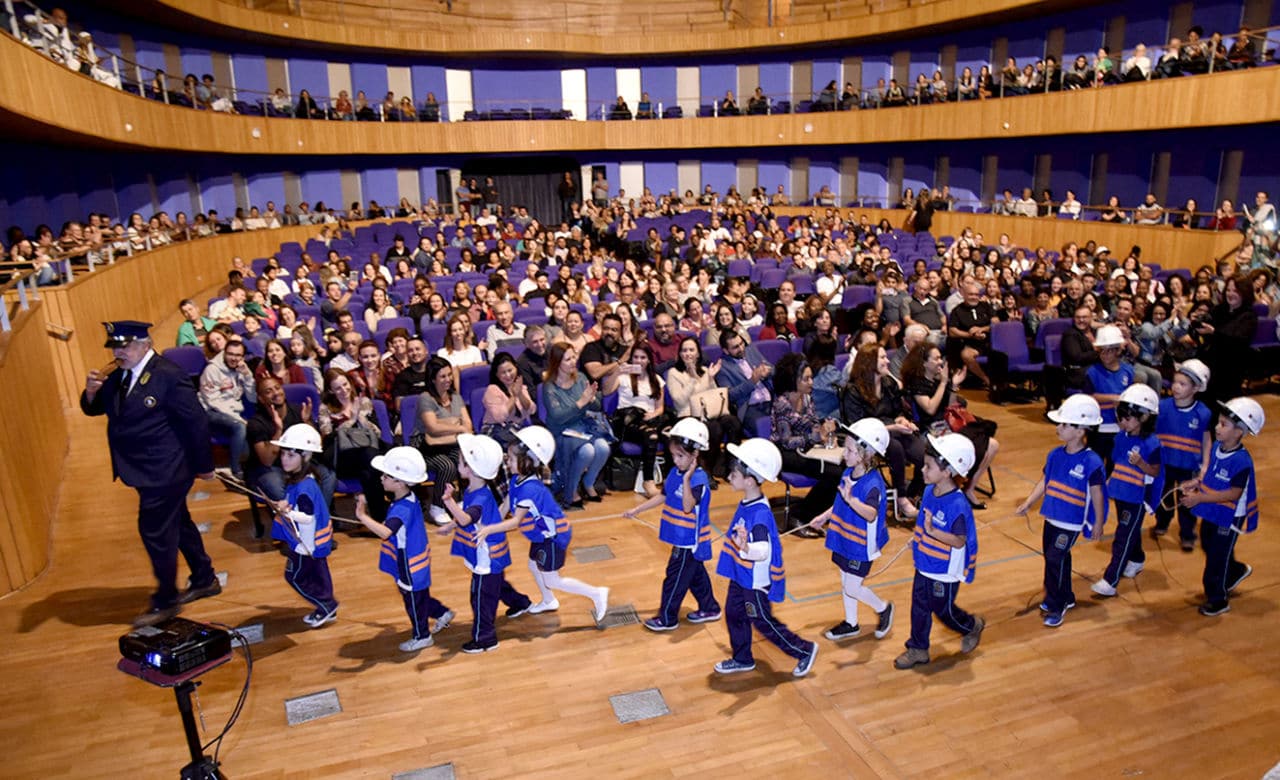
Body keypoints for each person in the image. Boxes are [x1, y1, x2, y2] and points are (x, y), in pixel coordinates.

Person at [80, 321, 219, 627]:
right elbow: (96, 409)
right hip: (142, 470)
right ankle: (205, 578)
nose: (118, 352)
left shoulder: (169, 376)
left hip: (166, 470)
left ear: (145, 343)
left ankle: (166, 600)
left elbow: (195, 423)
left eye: (125, 346)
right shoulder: (117, 376)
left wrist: (204, 465)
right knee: (178, 522)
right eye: (114, 347)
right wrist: (90, 394)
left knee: (155, 532)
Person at [712, 437, 819, 678]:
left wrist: (744, 547)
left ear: (749, 480)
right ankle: (742, 658)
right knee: (734, 613)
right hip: (742, 575)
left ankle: (803, 650)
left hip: (755, 581)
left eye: (733, 474)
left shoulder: (759, 515)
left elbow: (762, 551)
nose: (729, 477)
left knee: (763, 621)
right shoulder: (749, 502)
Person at [1014, 395, 1107, 629]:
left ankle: (1057, 605)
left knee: (1056, 558)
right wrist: (1029, 502)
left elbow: (1097, 494)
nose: (1059, 428)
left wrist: (1097, 523)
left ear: (1080, 431)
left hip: (1072, 523)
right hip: (1052, 517)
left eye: (1065, 424)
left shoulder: (1092, 461)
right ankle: (1064, 595)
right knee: (1054, 558)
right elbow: (1045, 480)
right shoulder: (1055, 454)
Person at [894, 434, 984, 669]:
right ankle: (918, 648)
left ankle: (971, 625)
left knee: (943, 611)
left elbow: (958, 541)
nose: (922, 469)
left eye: (928, 466)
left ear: (947, 472)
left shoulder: (957, 505)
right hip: (925, 563)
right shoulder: (929, 491)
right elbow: (925, 522)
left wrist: (933, 532)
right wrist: (919, 533)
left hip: (943, 571)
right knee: (919, 607)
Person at [623, 418, 721, 632]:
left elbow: (688, 506)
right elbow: (663, 496)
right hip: (679, 536)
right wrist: (636, 510)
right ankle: (710, 607)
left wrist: (686, 480)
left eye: (680, 456)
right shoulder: (675, 473)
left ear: (695, 455)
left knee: (674, 578)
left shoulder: (697, 481)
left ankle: (668, 618)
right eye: (673, 455)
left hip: (689, 541)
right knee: (695, 575)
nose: (676, 461)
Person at [354, 447, 455, 652]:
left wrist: (362, 516)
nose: (381, 478)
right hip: (416, 559)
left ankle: (422, 636)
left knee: (412, 602)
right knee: (417, 596)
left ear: (399, 482)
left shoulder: (402, 508)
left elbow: (385, 533)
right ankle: (441, 612)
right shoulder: (406, 499)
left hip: (409, 563)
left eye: (386, 475)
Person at [439, 434, 533, 653]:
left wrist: (448, 502)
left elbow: (466, 518)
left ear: (470, 469)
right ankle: (521, 603)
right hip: (489, 554)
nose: (458, 463)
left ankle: (485, 638)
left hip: (486, 557)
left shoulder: (479, 496)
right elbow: (466, 517)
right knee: (496, 585)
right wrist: (450, 526)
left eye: (461, 461)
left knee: (481, 598)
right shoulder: (475, 490)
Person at [507, 427, 610, 622]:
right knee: (533, 565)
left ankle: (596, 593)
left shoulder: (531, 489)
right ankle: (548, 600)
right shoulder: (517, 480)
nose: (507, 462)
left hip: (553, 537)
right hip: (540, 535)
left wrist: (488, 529)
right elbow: (506, 501)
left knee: (552, 579)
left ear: (527, 461)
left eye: (511, 459)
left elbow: (514, 521)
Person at [807, 419, 896, 642]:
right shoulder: (848, 472)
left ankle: (883, 608)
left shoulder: (873, 483)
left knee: (853, 587)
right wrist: (824, 517)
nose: (844, 453)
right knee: (846, 581)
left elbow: (871, 513)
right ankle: (851, 623)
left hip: (862, 545)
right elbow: (840, 502)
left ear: (865, 454)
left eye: (849, 449)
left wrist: (851, 499)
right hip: (845, 538)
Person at [1179, 397, 1264, 617]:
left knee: (1216, 558)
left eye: (1224, 425)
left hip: (1229, 515)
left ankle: (1218, 599)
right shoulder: (1218, 446)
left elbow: (1233, 494)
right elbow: (1213, 476)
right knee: (1208, 543)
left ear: (1239, 432)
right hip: (1214, 510)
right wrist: (1197, 482)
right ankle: (1235, 570)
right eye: (1218, 422)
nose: (1217, 428)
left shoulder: (1241, 462)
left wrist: (1199, 499)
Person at [1089, 385, 1162, 599]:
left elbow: (1156, 471)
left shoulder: (1152, 443)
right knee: (1129, 531)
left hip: (1136, 497)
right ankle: (1137, 559)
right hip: (1120, 492)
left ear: (1145, 418)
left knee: (1122, 536)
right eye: (1120, 417)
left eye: (1127, 418)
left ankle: (1111, 579)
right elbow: (1117, 462)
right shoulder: (1121, 437)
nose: (1122, 422)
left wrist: (1141, 464)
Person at [266, 424, 338, 628]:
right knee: (318, 575)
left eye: (290, 455)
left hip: (305, 545)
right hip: (314, 543)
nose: (284, 459)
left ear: (305, 456)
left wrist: (285, 512)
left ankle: (326, 605)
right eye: (283, 454)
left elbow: (307, 517)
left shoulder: (305, 487)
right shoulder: (306, 479)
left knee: (294, 577)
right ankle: (326, 605)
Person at [841, 343, 923, 518]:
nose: (888, 360)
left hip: (893, 428)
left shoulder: (888, 383)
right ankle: (901, 499)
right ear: (870, 363)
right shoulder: (853, 390)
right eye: (883, 357)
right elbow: (857, 427)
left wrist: (901, 419)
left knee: (922, 452)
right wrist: (893, 427)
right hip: (869, 438)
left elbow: (897, 411)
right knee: (895, 448)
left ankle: (913, 492)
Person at [770, 354, 842, 537]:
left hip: (805, 449)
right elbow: (786, 441)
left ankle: (819, 514)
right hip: (783, 453)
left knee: (843, 466)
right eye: (806, 379)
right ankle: (799, 515)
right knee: (834, 474)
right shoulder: (782, 403)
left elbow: (812, 423)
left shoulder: (808, 399)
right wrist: (815, 437)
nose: (811, 382)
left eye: (811, 377)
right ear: (793, 380)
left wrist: (824, 427)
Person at [1152, 360, 1213, 550]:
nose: (1176, 387)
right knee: (1163, 496)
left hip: (1189, 467)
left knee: (1187, 501)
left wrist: (1204, 465)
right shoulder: (1162, 407)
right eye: (1175, 382)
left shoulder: (1203, 413)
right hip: (1165, 464)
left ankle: (1187, 533)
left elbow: (1206, 440)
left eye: (1183, 384)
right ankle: (1162, 522)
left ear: (1196, 388)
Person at [544, 343, 611, 509]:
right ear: (557, 363)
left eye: (574, 356)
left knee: (603, 447)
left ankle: (588, 483)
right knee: (587, 451)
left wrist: (592, 398)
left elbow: (595, 406)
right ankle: (571, 490)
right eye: (568, 359)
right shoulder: (550, 387)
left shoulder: (580, 377)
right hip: (562, 431)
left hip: (582, 426)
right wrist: (581, 402)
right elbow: (558, 417)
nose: (573, 361)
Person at [667, 337, 740, 481]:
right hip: (687, 414)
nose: (688, 353)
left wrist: (711, 378)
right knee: (714, 428)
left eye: (691, 350)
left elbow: (714, 396)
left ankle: (730, 467)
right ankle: (706, 468)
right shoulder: (674, 373)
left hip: (708, 412)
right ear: (680, 354)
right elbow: (680, 401)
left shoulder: (706, 371)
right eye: (684, 350)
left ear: (698, 353)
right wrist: (693, 378)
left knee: (733, 422)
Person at [412, 356, 472, 523]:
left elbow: (468, 424)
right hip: (425, 446)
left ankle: (459, 500)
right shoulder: (426, 398)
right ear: (433, 379)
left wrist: (447, 425)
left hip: (451, 444)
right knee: (447, 466)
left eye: (449, 375)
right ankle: (437, 506)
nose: (448, 380)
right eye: (443, 376)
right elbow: (432, 427)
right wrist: (457, 426)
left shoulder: (456, 397)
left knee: (463, 462)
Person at [199, 339, 256, 480]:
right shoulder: (211, 370)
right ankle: (235, 471)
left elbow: (253, 397)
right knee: (239, 427)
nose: (234, 358)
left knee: (253, 428)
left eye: (238, 355)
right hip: (210, 412)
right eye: (230, 354)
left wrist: (248, 376)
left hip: (233, 411)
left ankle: (247, 468)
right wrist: (238, 419)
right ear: (224, 353)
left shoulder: (241, 369)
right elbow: (214, 402)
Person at [614, 346, 667, 497]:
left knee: (670, 435)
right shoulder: (623, 378)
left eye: (643, 357)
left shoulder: (656, 379)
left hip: (649, 419)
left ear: (649, 360)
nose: (639, 361)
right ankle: (648, 481)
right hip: (628, 421)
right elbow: (606, 390)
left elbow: (660, 407)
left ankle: (670, 478)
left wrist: (653, 414)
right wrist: (617, 371)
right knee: (651, 436)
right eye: (636, 357)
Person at [1083, 325, 1135, 467]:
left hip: (1119, 427)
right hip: (1098, 427)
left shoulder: (1128, 371)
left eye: (1110, 351)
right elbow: (1088, 397)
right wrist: (1113, 398)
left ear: (1118, 350)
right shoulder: (1092, 372)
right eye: (1102, 351)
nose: (1105, 355)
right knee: (1095, 465)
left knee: (1115, 465)